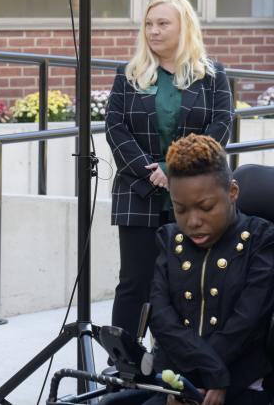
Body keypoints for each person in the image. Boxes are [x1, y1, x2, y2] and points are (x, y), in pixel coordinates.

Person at [102, 134, 274, 405]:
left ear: (232, 192)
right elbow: (162, 318)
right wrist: (190, 381)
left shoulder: (260, 239)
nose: (193, 221)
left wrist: (208, 377)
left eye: (206, 207)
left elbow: (247, 322)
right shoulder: (170, 239)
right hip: (177, 380)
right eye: (180, 209)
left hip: (242, 383)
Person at [105, 0, 232, 340]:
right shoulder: (128, 75)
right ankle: (125, 361)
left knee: (189, 283)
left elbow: (220, 127)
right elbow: (115, 129)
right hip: (138, 192)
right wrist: (153, 173)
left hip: (196, 198)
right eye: (149, 24)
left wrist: (174, 169)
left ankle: (180, 358)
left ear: (184, 27)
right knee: (134, 283)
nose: (153, 31)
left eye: (163, 23)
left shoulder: (213, 75)